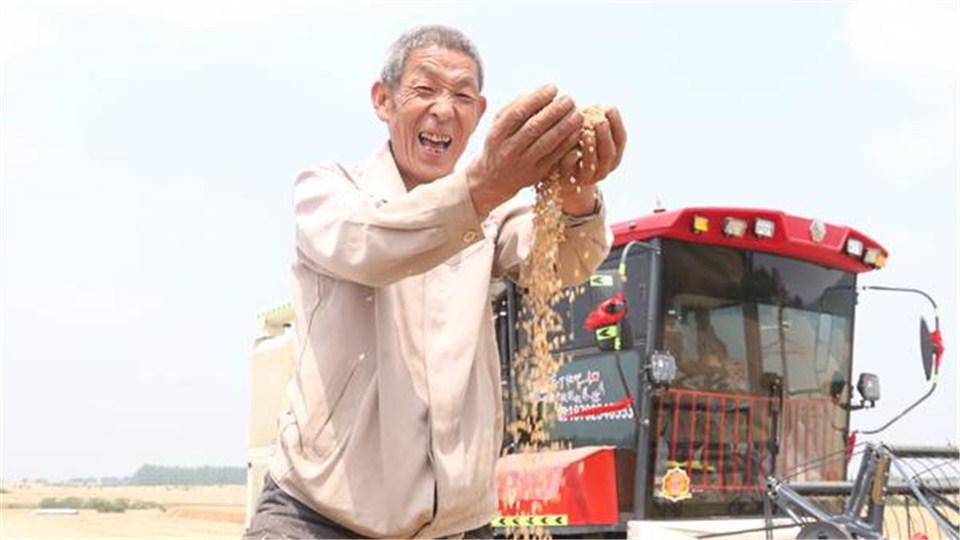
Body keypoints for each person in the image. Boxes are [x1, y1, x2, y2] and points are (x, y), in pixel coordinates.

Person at [245, 24, 627, 539]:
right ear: (383, 100)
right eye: (425, 90)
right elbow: (369, 247)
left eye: (462, 96)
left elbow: (554, 262)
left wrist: (577, 196)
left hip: (456, 524)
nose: (444, 110)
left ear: (480, 113)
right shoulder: (331, 190)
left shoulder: (494, 214)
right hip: (320, 515)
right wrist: (481, 186)